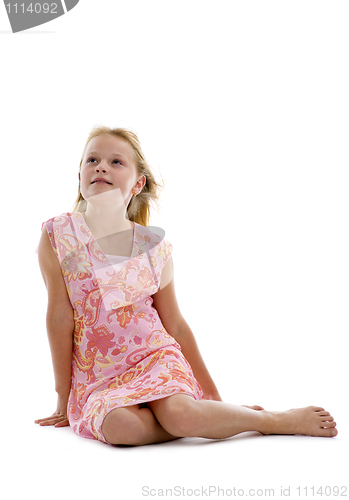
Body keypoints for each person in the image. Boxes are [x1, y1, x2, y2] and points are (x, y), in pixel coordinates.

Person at [35, 126, 338, 446]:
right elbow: (59, 316)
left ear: (138, 183)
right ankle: (208, 419)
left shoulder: (153, 247)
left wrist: (214, 395)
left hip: (155, 358)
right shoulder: (60, 234)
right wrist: (63, 397)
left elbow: (175, 325)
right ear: (80, 176)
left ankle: (267, 420)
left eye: (116, 162)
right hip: (99, 376)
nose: (101, 166)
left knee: (180, 413)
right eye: (92, 159)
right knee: (121, 428)